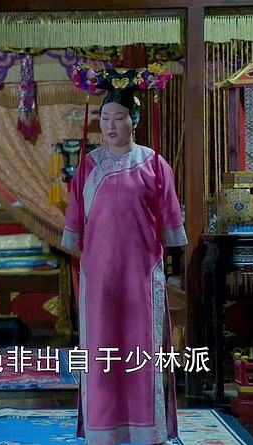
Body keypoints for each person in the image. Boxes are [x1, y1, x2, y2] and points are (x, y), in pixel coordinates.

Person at [61, 83, 188, 444]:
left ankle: (145, 428)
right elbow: (76, 220)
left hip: (141, 271)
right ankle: (103, 429)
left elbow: (169, 221)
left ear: (135, 120)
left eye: (119, 118)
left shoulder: (154, 164)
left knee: (140, 347)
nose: (111, 125)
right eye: (105, 118)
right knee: (101, 348)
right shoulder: (89, 165)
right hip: (99, 272)